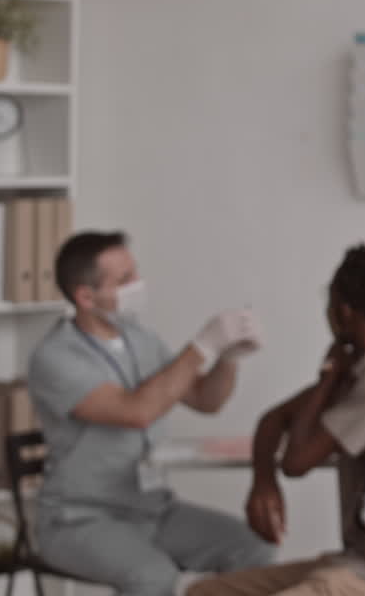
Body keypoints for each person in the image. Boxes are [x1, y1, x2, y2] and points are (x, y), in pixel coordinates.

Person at [190, 243, 365, 596]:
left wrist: (326, 379)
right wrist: (264, 482)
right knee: (206, 592)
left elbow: (296, 462)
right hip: (362, 562)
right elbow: (274, 420)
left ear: (343, 313)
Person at [28, 231, 273, 596]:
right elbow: (137, 412)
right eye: (125, 280)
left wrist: (227, 357)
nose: (138, 285)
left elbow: (206, 399)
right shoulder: (56, 357)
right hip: (80, 520)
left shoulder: (139, 337)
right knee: (153, 576)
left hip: (152, 510)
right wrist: (202, 345)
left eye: (135, 273)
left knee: (253, 548)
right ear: (85, 296)